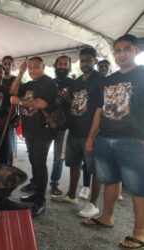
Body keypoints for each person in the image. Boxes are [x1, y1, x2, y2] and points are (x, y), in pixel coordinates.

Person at [83, 34, 144, 249]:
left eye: (126, 49)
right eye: (117, 50)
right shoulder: (109, 80)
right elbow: (99, 112)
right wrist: (91, 137)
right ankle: (106, 217)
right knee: (109, 180)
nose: (121, 54)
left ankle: (139, 233)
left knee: (138, 188)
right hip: (105, 138)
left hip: (134, 140)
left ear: (136, 50)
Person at [52, 47, 104, 218]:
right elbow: (75, 103)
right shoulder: (77, 82)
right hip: (74, 130)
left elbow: (101, 110)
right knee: (73, 164)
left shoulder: (100, 80)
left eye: (89, 60)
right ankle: (72, 195)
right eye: (82, 60)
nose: (85, 63)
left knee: (95, 169)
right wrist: (65, 98)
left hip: (91, 133)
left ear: (95, 61)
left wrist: (93, 135)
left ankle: (93, 204)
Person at [10, 57, 57, 216]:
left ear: (43, 67)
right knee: (33, 162)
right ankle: (36, 193)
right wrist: (20, 73)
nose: (33, 70)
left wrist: (20, 102)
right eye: (30, 68)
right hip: (29, 130)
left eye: (36, 67)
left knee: (39, 164)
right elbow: (13, 91)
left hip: (43, 131)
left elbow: (41, 104)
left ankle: (40, 200)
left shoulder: (47, 82)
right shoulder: (29, 84)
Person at [49, 55, 74, 196]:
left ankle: (54, 184)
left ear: (69, 66)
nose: (63, 66)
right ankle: (35, 182)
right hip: (47, 125)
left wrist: (67, 98)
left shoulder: (73, 83)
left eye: (66, 64)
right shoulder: (49, 82)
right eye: (60, 64)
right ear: (55, 65)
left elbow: (76, 106)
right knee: (38, 155)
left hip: (63, 126)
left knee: (59, 157)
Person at [2, 55, 18, 166]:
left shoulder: (16, 79)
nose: (7, 66)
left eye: (9, 64)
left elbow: (18, 97)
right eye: (5, 63)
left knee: (11, 145)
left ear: (12, 66)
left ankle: (11, 167)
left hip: (11, 116)